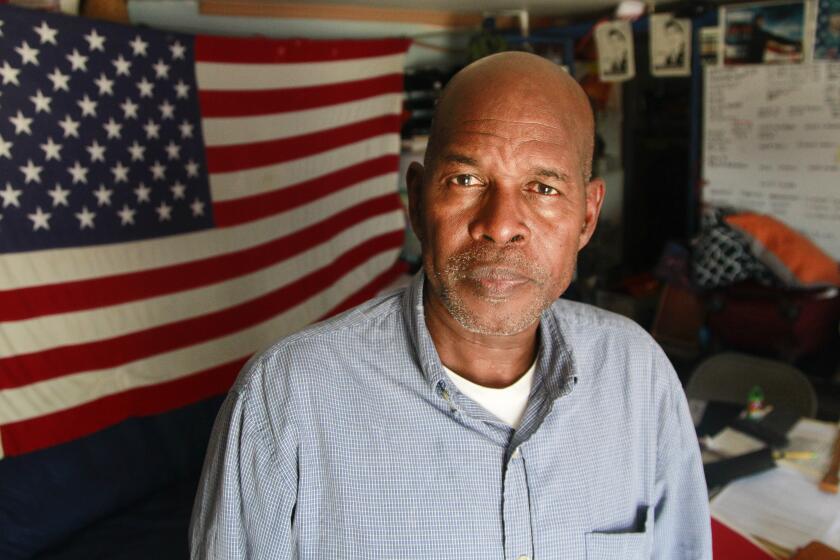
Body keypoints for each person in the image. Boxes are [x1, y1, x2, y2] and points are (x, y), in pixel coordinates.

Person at [189, 52, 711, 559]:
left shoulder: (637, 375)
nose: (502, 223)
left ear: (587, 217)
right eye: (467, 180)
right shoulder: (283, 399)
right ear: (417, 201)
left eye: (544, 187)